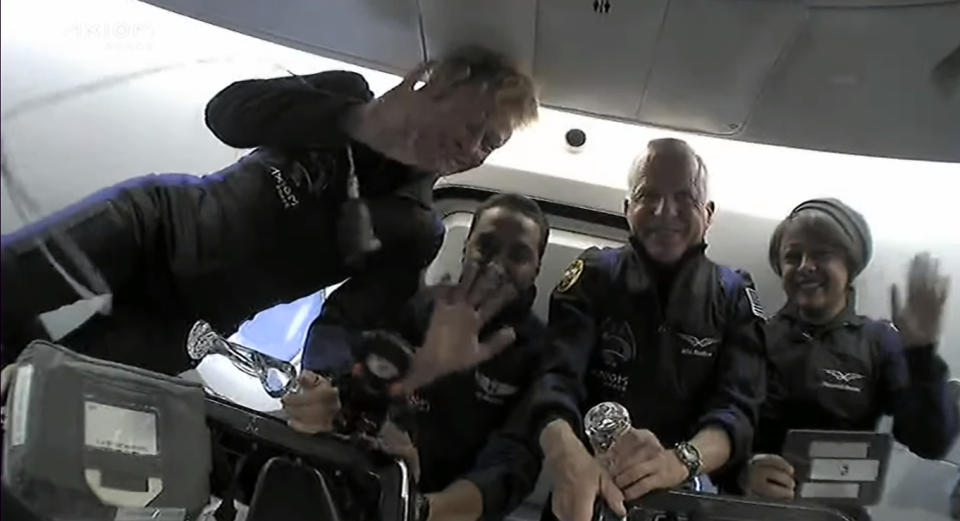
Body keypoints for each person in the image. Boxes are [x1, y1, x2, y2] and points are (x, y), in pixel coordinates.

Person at [0, 47, 538, 385]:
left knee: (49, 393)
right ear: (440, 87)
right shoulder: (348, 92)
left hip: (190, 321)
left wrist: (392, 374)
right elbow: (226, 114)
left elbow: (345, 327)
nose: (472, 149)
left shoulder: (419, 228)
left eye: (490, 144)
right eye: (474, 124)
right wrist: (356, 120)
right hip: (153, 225)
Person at [527, 138, 767, 521]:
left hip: (683, 496)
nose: (663, 211)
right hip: (587, 491)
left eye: (684, 198)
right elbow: (554, 383)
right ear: (627, 209)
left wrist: (679, 461)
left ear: (708, 214)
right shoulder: (593, 276)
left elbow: (737, 411)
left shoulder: (734, 294)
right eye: (647, 195)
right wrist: (566, 457)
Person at [285, 193, 551, 521]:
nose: (497, 265)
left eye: (518, 255)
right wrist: (328, 387)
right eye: (487, 246)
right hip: (355, 485)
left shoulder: (540, 355)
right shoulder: (415, 305)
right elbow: (342, 331)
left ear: (537, 267)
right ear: (466, 245)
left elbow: (514, 459)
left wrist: (417, 507)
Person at [745, 198, 958, 501]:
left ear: (850, 265)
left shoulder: (878, 342)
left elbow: (930, 442)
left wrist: (922, 354)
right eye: (793, 256)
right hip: (754, 510)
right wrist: (742, 470)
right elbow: (721, 426)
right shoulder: (755, 338)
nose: (805, 266)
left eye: (822, 254)